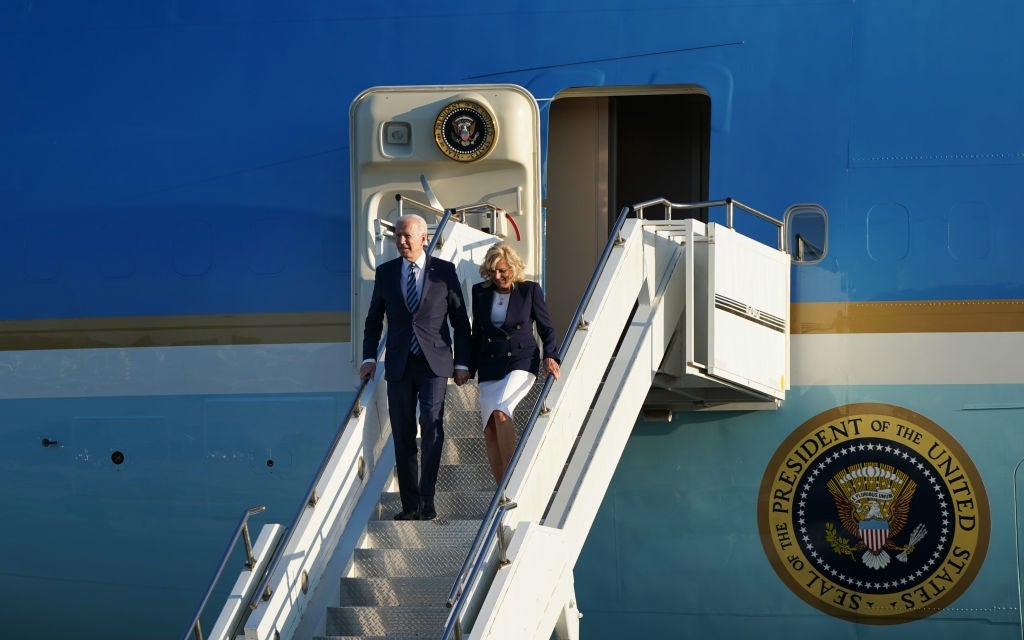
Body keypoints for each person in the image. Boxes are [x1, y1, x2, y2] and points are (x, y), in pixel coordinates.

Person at [360, 214, 472, 521]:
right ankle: (409, 505)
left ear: (424, 237)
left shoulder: (444, 272)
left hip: (434, 362)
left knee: (432, 426)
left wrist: (462, 363)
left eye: (407, 235)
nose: (400, 240)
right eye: (397, 235)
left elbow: (460, 321)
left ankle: (427, 499)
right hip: (398, 364)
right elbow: (373, 321)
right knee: (403, 433)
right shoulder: (385, 273)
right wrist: (369, 358)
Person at [470, 243, 560, 485]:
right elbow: (476, 333)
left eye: (503, 270)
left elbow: (546, 327)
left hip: (521, 360)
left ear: (513, 267)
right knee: (489, 428)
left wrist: (550, 355)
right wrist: (466, 366)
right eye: (493, 272)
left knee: (501, 410)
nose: (498, 276)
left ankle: (513, 479)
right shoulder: (479, 292)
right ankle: (501, 490)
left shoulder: (529, 290)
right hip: (490, 363)